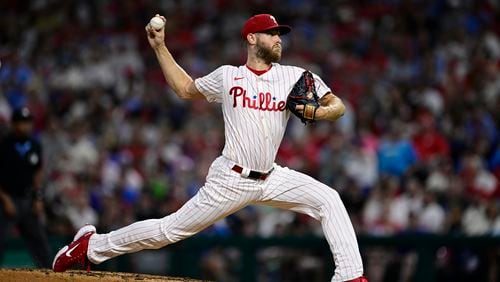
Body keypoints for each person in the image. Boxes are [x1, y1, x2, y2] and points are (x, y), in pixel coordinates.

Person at [52, 14, 367, 281]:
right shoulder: (229, 76)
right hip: (232, 178)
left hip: (271, 177)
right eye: (271, 34)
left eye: (279, 34)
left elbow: (336, 104)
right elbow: (185, 89)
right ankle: (92, 247)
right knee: (169, 231)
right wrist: (160, 47)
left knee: (329, 199)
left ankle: (350, 276)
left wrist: (321, 112)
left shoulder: (294, 76)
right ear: (252, 38)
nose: (278, 39)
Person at [0, 106, 52, 268]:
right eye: (21, 122)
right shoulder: (4, 144)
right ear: (14, 124)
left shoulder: (34, 145)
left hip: (28, 199)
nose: (25, 126)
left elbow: (37, 173)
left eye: (28, 122)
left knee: (40, 243)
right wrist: (5, 199)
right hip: (6, 199)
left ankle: (49, 275)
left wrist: (38, 198)